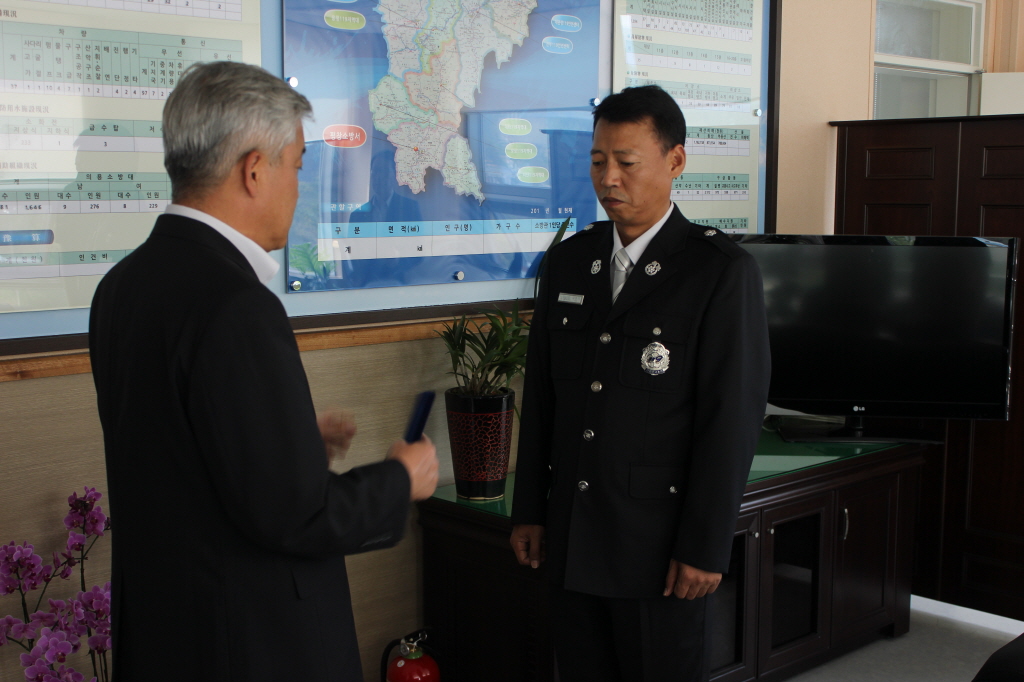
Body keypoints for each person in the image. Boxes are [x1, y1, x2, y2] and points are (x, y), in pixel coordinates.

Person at [89, 61, 439, 682]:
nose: (299, 188)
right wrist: (399, 480)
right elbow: (296, 516)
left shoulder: (122, 285)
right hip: (249, 643)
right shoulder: (235, 305)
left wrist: (289, 444)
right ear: (254, 170)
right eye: (298, 166)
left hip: (166, 633)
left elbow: (178, 452)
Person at [509, 85, 771, 681]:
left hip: (658, 549)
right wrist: (530, 511)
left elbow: (730, 422)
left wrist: (704, 547)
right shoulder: (569, 262)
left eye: (626, 162)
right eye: (598, 161)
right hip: (573, 537)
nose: (608, 179)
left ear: (675, 161)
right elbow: (544, 399)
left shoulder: (719, 271)